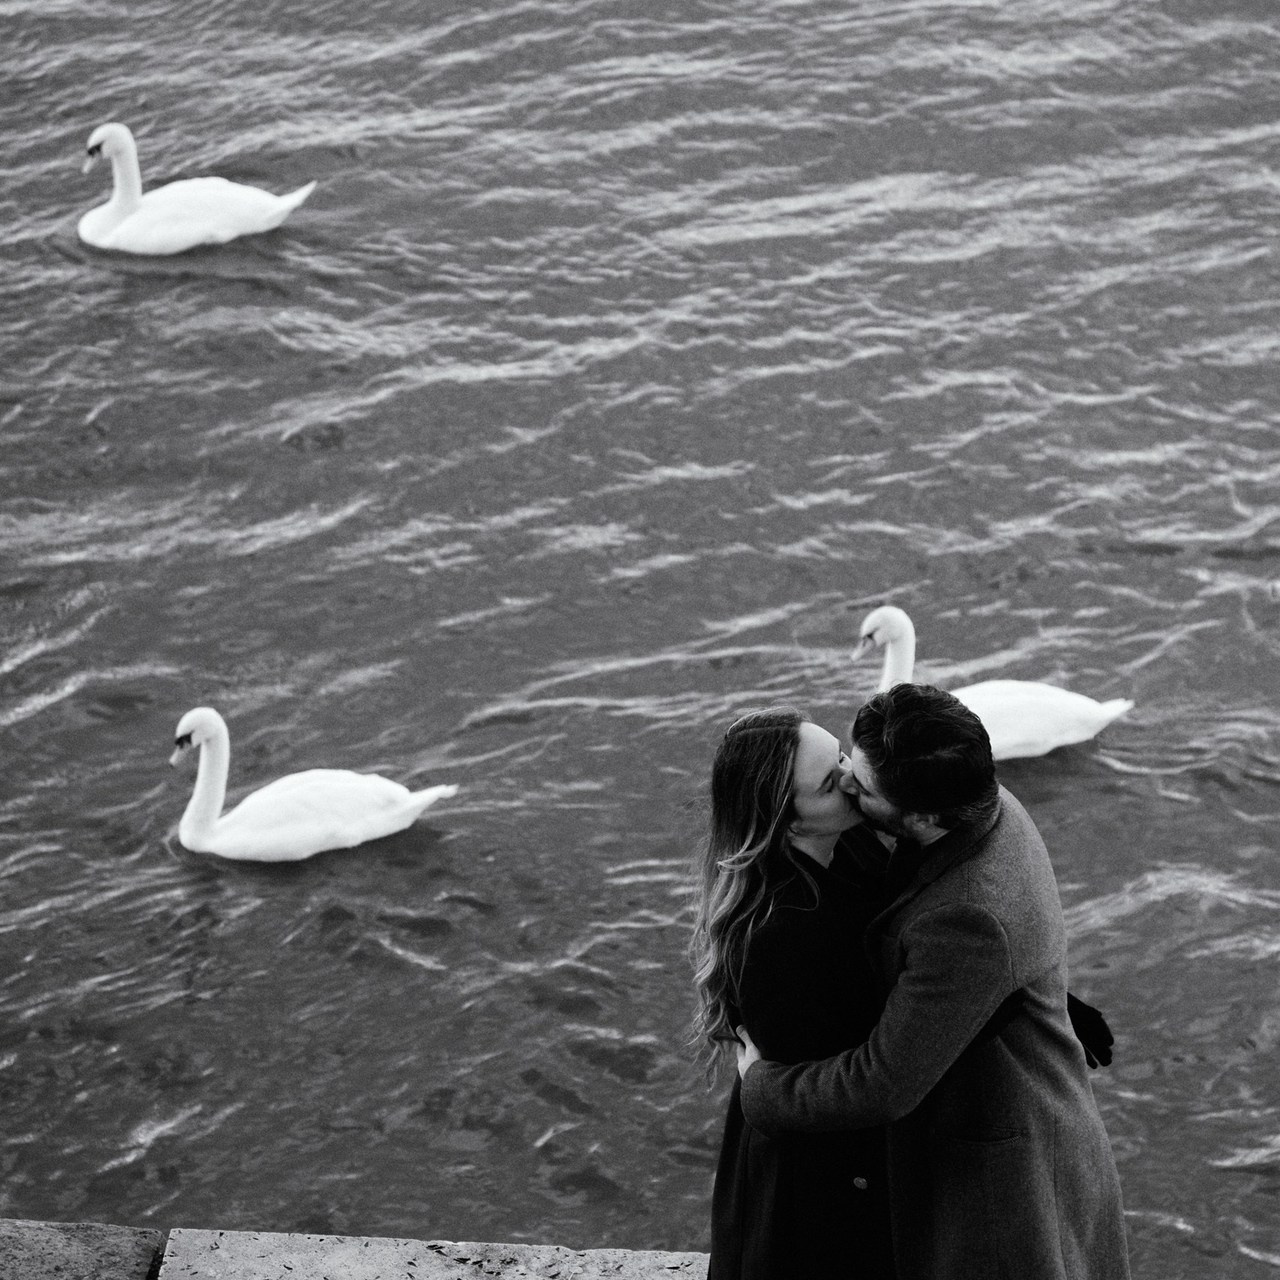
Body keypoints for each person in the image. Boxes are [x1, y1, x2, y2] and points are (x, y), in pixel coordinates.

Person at [735, 683, 1131, 1280]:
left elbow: (883, 1083)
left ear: (918, 816)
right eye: (846, 764)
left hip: (996, 1170)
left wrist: (760, 1090)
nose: (846, 782)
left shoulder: (966, 917)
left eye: (861, 786)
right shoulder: (980, 799)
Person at [690, 707, 897, 1279]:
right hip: (817, 1184)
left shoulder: (851, 844)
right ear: (788, 822)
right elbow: (818, 1096)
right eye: (830, 783)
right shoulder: (778, 935)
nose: (853, 777)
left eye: (839, 754)